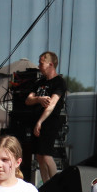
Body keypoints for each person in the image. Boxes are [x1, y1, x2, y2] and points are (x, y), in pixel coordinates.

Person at [26, 51, 67, 184]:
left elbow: (52, 104)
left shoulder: (59, 82)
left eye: (41, 62)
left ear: (50, 64)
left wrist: (40, 122)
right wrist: (38, 99)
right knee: (39, 155)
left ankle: (55, 185)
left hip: (49, 122)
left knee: (46, 154)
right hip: (36, 121)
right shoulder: (40, 82)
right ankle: (46, 185)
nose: (39, 65)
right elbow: (28, 100)